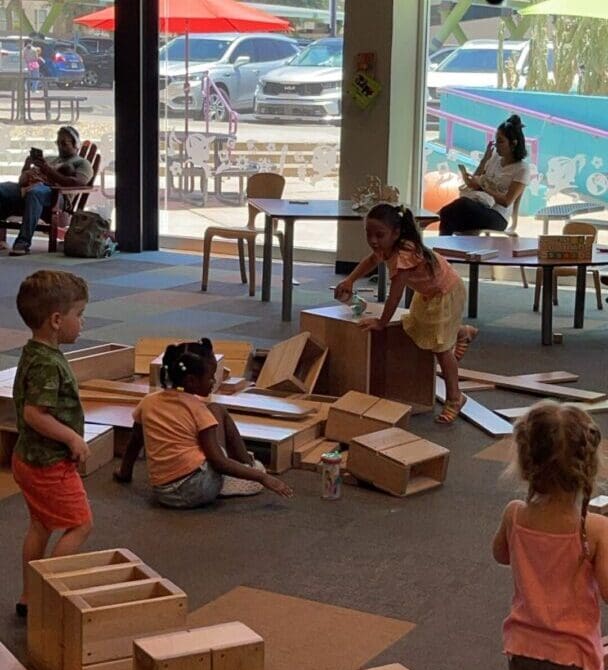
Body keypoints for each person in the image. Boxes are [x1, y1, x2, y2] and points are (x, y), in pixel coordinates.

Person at [482, 401, 608, 670]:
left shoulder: (515, 515)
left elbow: (500, 555)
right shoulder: (595, 528)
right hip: (574, 654)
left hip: (524, 643)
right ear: (587, 467)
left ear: (526, 461)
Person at [334, 203, 477, 423]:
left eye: (379, 235)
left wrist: (381, 322)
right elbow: (371, 260)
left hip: (445, 292)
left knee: (440, 348)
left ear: (396, 233)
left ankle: (455, 398)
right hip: (428, 291)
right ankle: (460, 331)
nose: (373, 240)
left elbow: (395, 296)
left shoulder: (403, 256)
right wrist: (350, 280)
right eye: (368, 234)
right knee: (418, 325)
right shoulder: (386, 247)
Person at [113, 338, 294, 507]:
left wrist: (124, 473)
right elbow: (218, 462)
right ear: (191, 380)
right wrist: (261, 478)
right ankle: (247, 467)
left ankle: (241, 469)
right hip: (197, 490)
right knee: (218, 411)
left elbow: (134, 443)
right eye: (210, 377)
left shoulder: (148, 402)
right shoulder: (198, 409)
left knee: (209, 419)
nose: (214, 381)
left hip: (163, 493)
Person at [11, 270, 92, 619]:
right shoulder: (46, 364)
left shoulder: (35, 352)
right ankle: (47, 593)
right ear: (57, 320)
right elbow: (34, 414)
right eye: (79, 315)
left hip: (27, 459)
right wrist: (72, 437)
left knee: (41, 525)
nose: (82, 323)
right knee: (81, 525)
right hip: (48, 464)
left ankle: (30, 596)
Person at [0, 125, 93, 256]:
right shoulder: (50, 159)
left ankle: (23, 242)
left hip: (56, 197)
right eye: (58, 143)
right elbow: (23, 179)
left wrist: (47, 170)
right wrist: (28, 164)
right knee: (2, 189)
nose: (60, 146)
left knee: (35, 192)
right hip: (29, 189)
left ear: (75, 144)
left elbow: (77, 182)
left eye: (64, 143)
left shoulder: (82, 163)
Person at [438, 115, 530, 235]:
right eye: (496, 141)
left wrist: (483, 188)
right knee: (451, 216)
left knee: (458, 207)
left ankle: (439, 242)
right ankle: (443, 249)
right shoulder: (495, 158)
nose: (497, 145)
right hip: (479, 205)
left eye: (501, 141)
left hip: (498, 216)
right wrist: (485, 159)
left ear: (513, 144)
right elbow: (475, 180)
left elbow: (507, 201)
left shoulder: (522, 169)